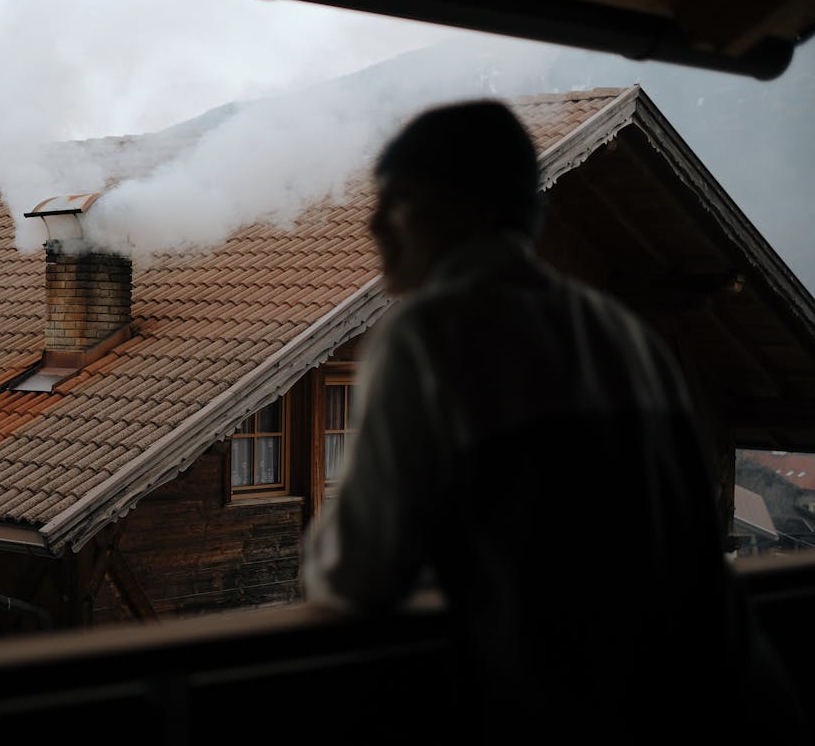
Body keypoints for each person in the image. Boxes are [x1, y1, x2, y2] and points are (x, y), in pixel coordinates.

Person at [301, 100, 806, 743]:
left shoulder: (430, 334)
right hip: (729, 697)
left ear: (462, 207)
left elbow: (361, 573)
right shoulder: (624, 332)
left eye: (396, 200)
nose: (373, 225)